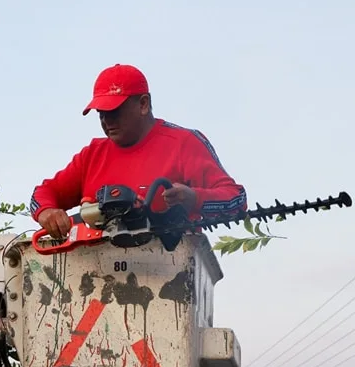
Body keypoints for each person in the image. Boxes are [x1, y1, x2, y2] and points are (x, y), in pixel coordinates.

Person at [29, 63, 247, 238]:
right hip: (94, 279)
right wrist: (47, 213)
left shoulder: (183, 143)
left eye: (114, 111)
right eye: (101, 114)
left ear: (143, 104)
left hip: (170, 276)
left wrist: (194, 198)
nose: (106, 121)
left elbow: (236, 200)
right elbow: (43, 193)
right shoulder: (93, 154)